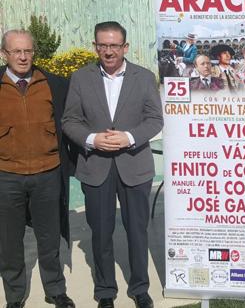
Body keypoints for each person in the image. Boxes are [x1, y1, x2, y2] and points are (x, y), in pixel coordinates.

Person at [62, 21, 163, 308]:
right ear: (95, 46)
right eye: (103, 45)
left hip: (135, 167)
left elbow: (155, 119)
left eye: (114, 45)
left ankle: (140, 288)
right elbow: (70, 120)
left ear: (125, 47)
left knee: (137, 230)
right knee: (101, 232)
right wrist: (92, 139)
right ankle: (105, 291)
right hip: (96, 167)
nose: (108, 51)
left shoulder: (143, 78)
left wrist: (129, 137)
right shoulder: (81, 78)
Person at [0, 30, 75, 308]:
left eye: (28, 51)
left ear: (34, 52)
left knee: (49, 238)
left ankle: (55, 290)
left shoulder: (53, 84)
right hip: (7, 176)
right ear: (4, 54)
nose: (22, 57)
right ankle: (15, 295)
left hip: (48, 173)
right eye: (16, 51)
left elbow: (72, 123)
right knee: (9, 243)